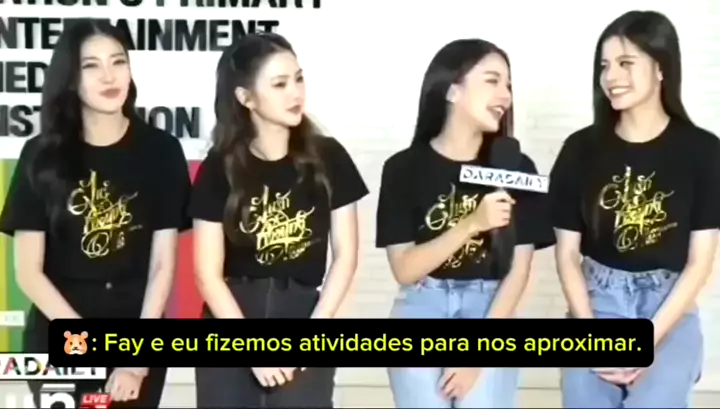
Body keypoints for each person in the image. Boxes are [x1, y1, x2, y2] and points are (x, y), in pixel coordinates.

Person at [0, 19, 192, 408]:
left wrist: (135, 359)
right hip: (60, 331)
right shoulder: (42, 155)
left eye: (118, 61)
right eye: (91, 65)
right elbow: (29, 274)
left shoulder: (162, 151)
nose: (109, 76)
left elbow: (162, 266)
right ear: (71, 79)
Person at [550, 10, 720, 408]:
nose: (611, 76)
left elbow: (700, 262)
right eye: (604, 65)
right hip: (595, 303)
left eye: (626, 63)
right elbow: (567, 255)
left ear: (661, 68)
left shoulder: (703, 151)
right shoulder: (579, 149)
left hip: (668, 308)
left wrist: (648, 340)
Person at [190, 32, 368, 409]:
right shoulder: (219, 168)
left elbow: (346, 256)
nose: (295, 93)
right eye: (280, 84)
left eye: (299, 79)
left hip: (303, 314)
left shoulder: (329, 157)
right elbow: (207, 274)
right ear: (246, 98)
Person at [375, 38, 555, 408]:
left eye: (508, 84)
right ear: (453, 90)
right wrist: (472, 223)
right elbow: (405, 269)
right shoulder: (402, 169)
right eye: (492, 81)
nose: (505, 95)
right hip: (422, 305)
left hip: (491, 310)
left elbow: (519, 270)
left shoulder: (517, 168)